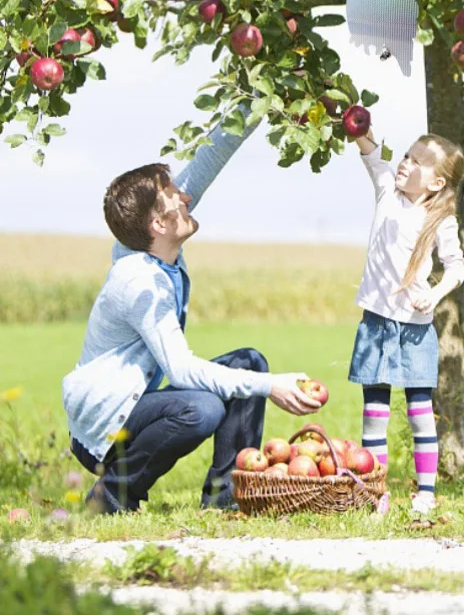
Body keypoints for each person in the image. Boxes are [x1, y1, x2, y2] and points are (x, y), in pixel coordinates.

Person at [62, 114, 320, 514]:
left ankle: (227, 498)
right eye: (174, 197)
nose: (185, 197)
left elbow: (208, 159)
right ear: (159, 223)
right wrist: (271, 385)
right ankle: (112, 495)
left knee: (248, 362)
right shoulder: (140, 284)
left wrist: (259, 100)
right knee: (201, 409)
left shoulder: (149, 242)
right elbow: (182, 371)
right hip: (104, 428)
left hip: (135, 407)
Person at [348, 124, 464, 514]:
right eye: (406, 155)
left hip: (416, 330)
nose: (405, 163)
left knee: (420, 414)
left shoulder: (440, 220)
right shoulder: (387, 192)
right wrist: (354, 122)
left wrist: (432, 294)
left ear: (435, 182)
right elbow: (371, 152)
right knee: (374, 415)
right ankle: (376, 493)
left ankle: (426, 494)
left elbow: (456, 269)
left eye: (417, 162)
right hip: (377, 323)